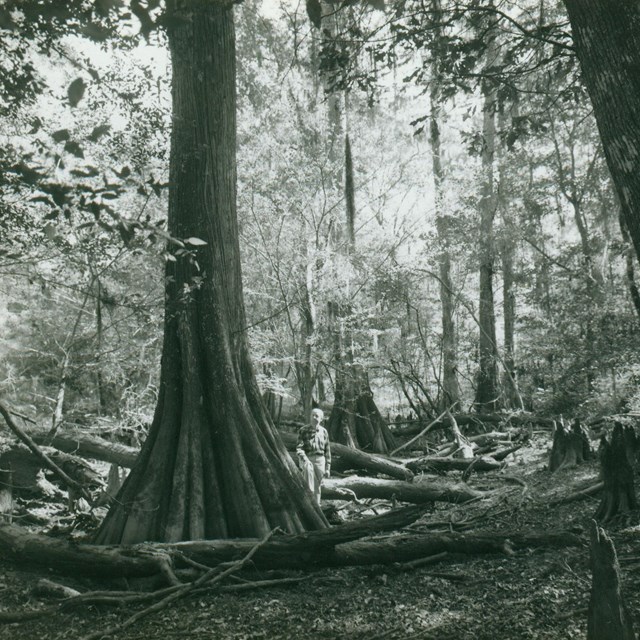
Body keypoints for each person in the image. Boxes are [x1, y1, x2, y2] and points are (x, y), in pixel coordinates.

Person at [296, 408, 331, 505]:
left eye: (317, 416)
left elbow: (327, 450)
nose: (314, 417)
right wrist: (305, 459)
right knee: (308, 485)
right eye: (313, 415)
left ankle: (317, 507)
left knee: (317, 486)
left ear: (321, 419)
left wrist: (328, 468)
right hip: (308, 459)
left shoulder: (324, 432)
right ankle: (308, 506)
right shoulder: (303, 430)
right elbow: (299, 448)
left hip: (320, 460)